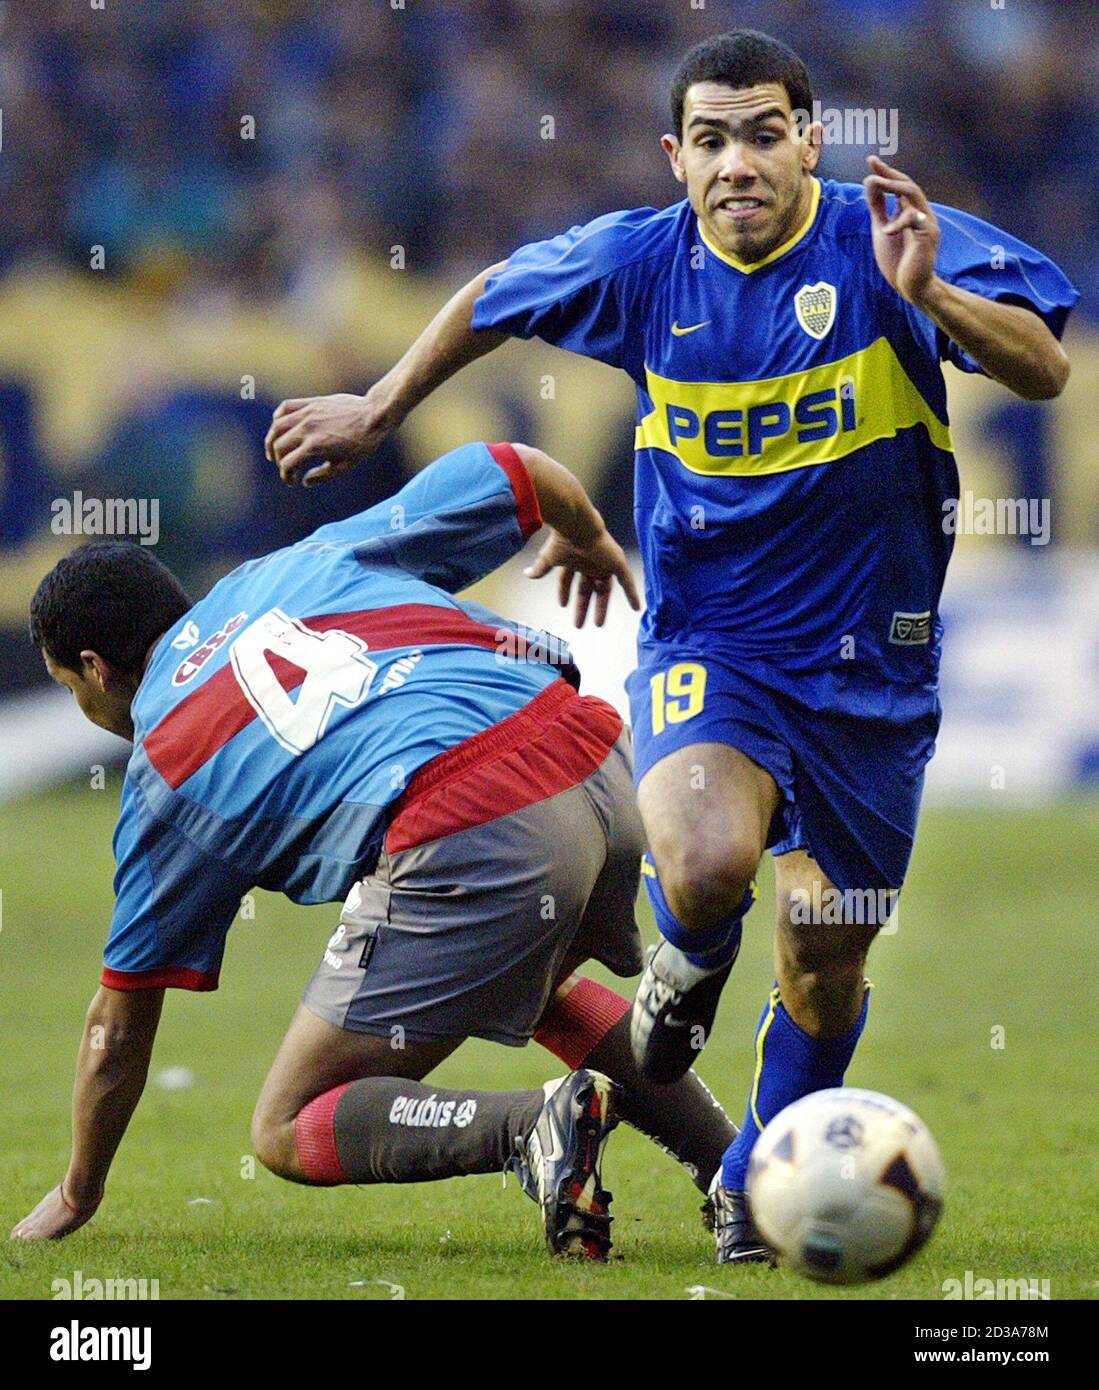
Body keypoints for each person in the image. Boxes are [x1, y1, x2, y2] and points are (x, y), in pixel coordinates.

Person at [264, 31, 1078, 1264]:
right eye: (710, 139)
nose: (737, 161)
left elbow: (1046, 366)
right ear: (674, 155)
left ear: (811, 140)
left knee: (823, 951)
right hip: (713, 640)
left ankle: (750, 1175)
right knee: (703, 862)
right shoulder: (640, 264)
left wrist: (935, 300)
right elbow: (492, 295)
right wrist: (378, 407)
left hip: (872, 676)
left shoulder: (887, 241)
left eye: (763, 133)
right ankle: (684, 965)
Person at [12, 439, 737, 1259]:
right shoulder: (295, 563)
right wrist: (581, 529)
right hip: (598, 758)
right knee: (537, 983)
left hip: (480, 823)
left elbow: (117, 1023)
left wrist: (79, 1188)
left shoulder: (164, 767)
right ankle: (738, 1178)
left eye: (71, 690)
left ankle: (534, 1126)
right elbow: (513, 467)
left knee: (287, 1125)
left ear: (95, 668)